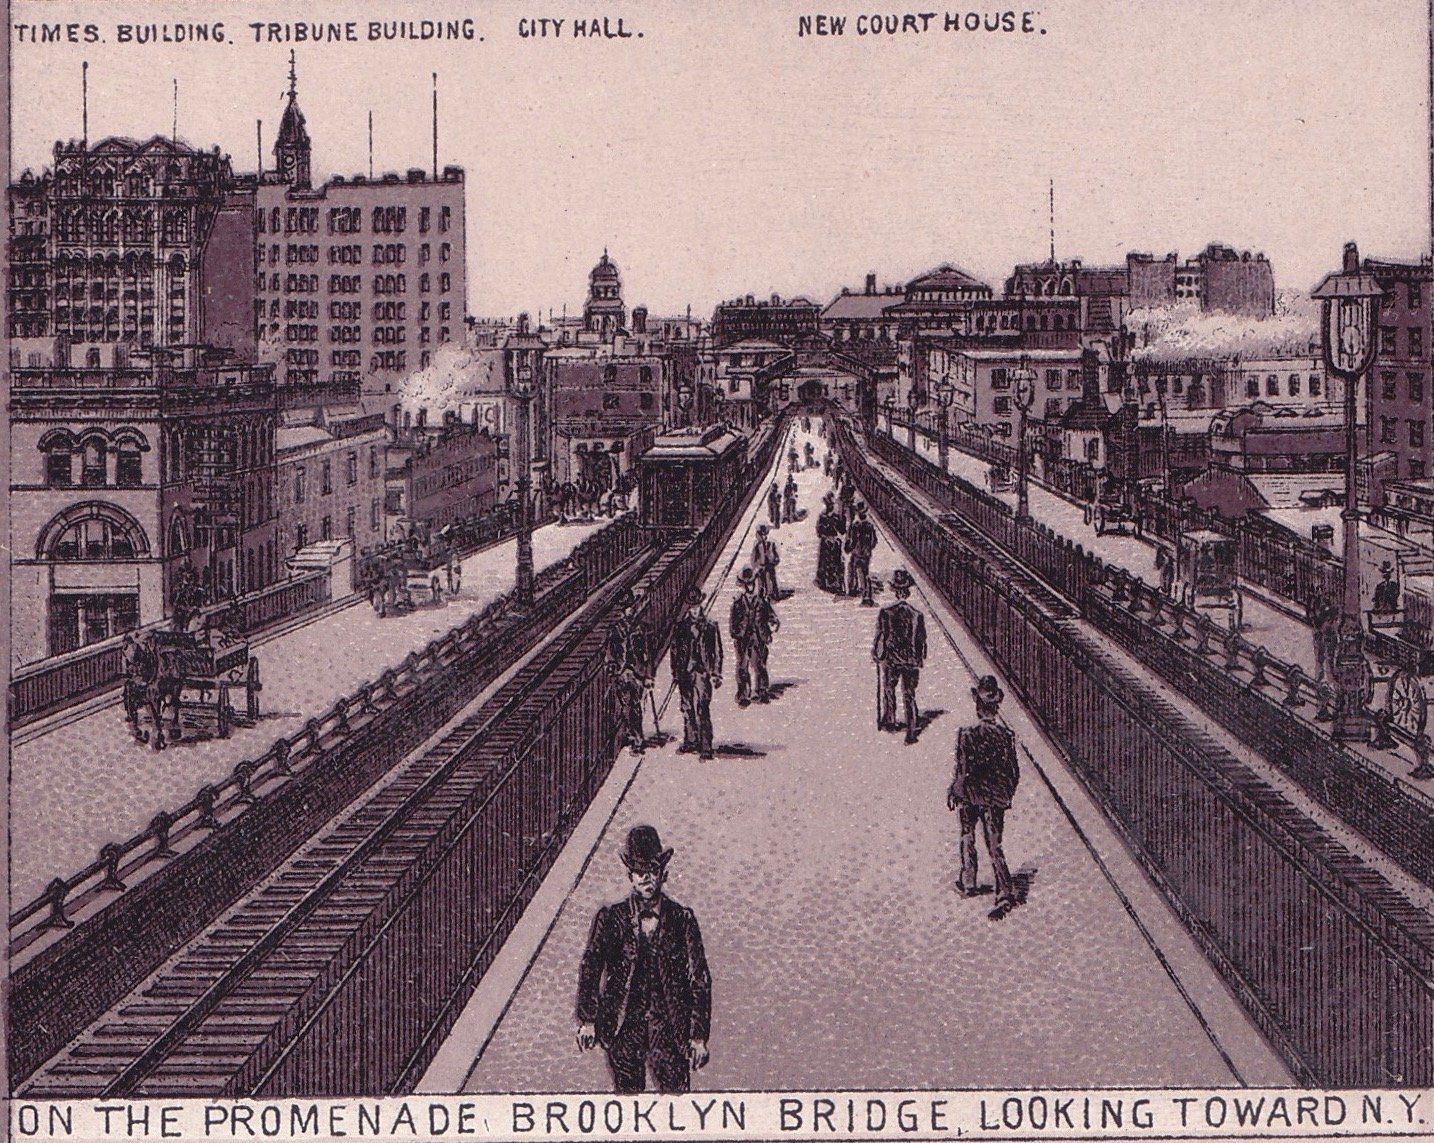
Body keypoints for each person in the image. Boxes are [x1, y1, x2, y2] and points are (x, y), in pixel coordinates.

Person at [576, 825, 712, 1094]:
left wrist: (698, 1036)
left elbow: (699, 978)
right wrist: (588, 1019)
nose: (646, 879)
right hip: (623, 1028)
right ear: (630, 877)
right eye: (640, 873)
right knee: (627, 1105)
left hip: (671, 1031)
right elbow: (591, 967)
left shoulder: (682, 919)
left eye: (652, 871)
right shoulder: (611, 918)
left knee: (677, 1105)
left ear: (664, 874)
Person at [948, 676, 1020, 909]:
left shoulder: (967, 734)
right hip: (994, 797)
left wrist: (955, 790)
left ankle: (969, 880)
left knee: (967, 834)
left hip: (970, 794)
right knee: (994, 843)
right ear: (996, 708)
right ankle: (1004, 890)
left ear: (978, 707)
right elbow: (1013, 772)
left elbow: (962, 768)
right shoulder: (1006, 736)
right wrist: (1003, 794)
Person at [872, 568, 927, 743]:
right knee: (909, 694)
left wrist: (877, 654)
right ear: (908, 591)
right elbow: (921, 642)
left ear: (895, 591)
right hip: (910, 660)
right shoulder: (917, 615)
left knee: (889, 689)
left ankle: (890, 720)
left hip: (891, 659)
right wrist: (919, 659)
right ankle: (911, 730)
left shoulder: (886, 613)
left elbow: (881, 637)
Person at [670, 589, 723, 760]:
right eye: (691, 607)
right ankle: (691, 740)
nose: (694, 610)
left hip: (702, 672)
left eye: (697, 606)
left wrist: (716, 673)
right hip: (685, 672)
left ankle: (706, 746)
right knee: (686, 707)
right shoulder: (680, 627)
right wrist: (675, 673)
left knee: (703, 707)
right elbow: (675, 652)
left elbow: (717, 651)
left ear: (701, 605)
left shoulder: (710, 626)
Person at [606, 589, 653, 754]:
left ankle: (637, 738)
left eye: (630, 607)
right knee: (626, 705)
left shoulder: (640, 628)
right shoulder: (615, 630)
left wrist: (648, 676)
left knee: (634, 705)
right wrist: (612, 665)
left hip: (636, 672)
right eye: (626, 608)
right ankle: (632, 734)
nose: (629, 611)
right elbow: (610, 651)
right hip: (621, 672)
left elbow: (648, 654)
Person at [730, 566, 780, 705]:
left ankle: (761, 690)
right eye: (746, 585)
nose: (750, 587)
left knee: (759, 664)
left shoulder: (761, 601)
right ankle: (743, 694)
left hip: (758, 637)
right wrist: (738, 633)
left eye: (751, 584)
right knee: (742, 666)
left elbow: (771, 616)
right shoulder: (738, 603)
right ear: (743, 586)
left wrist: (773, 624)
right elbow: (733, 623)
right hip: (743, 639)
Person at [845, 501, 877, 605]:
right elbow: (874, 541)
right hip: (866, 554)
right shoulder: (870, 526)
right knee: (865, 573)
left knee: (852, 570)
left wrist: (849, 548)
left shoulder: (855, 526)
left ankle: (853, 589)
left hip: (857, 553)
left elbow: (853, 541)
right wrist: (868, 549)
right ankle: (867, 595)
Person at [815, 493, 847, 594]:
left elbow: (842, 530)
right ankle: (827, 582)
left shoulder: (831, 516)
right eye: (830, 504)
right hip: (828, 541)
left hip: (832, 541)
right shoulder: (827, 516)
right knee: (828, 562)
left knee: (834, 562)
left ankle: (833, 583)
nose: (831, 506)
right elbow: (819, 531)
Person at [752, 524, 781, 600]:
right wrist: (756, 566)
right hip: (762, 566)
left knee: (772, 579)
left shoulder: (771, 544)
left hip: (770, 565)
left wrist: (775, 560)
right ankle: (762, 595)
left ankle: (774, 593)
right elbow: (755, 557)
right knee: (761, 581)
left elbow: (775, 554)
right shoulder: (758, 545)